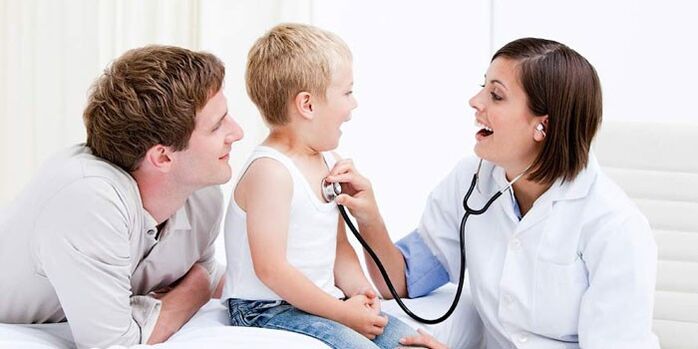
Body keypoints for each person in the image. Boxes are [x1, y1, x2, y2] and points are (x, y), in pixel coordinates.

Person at [325, 38, 660, 349]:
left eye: (496, 95)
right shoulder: (471, 179)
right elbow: (401, 283)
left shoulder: (614, 225)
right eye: (482, 87)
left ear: (543, 125)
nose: (475, 102)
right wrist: (369, 217)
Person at [0, 45, 244, 348]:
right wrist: (195, 291)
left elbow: (204, 274)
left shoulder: (204, 197)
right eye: (217, 125)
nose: (238, 132)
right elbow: (115, 344)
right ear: (163, 158)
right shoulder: (88, 197)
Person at [221, 23, 416, 349]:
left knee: (414, 342)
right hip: (264, 310)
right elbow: (271, 270)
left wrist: (358, 291)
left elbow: (339, 246)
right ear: (308, 105)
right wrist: (342, 314)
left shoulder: (327, 160)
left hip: (317, 302)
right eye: (347, 92)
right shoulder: (271, 172)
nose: (353, 104)